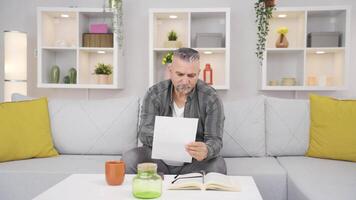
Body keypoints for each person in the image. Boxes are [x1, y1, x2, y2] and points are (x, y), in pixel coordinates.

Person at [122, 48, 226, 175]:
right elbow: (144, 132)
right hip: (157, 161)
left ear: (198, 73)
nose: (185, 81)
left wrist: (206, 150)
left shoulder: (211, 98)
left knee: (218, 165)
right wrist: (169, 137)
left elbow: (215, 140)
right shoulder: (154, 94)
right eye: (180, 74)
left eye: (191, 76)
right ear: (170, 71)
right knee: (129, 159)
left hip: (193, 163)